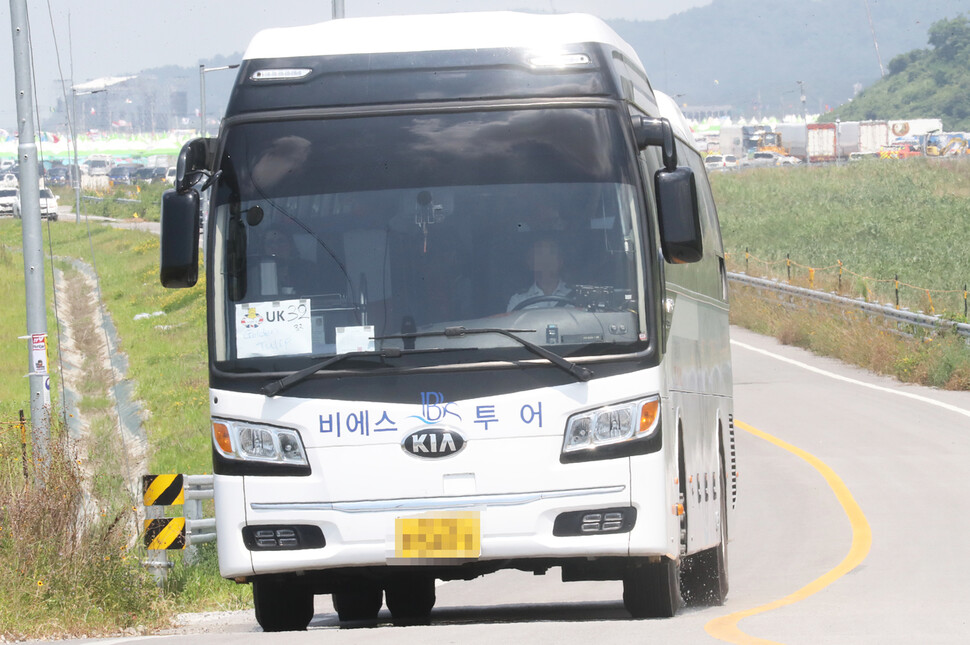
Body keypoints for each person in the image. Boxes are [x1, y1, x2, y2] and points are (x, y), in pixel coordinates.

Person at [507, 237, 572, 311]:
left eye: (551, 253)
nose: (546, 260)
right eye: (540, 254)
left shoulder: (576, 296)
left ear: (560, 261)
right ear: (530, 263)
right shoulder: (518, 300)